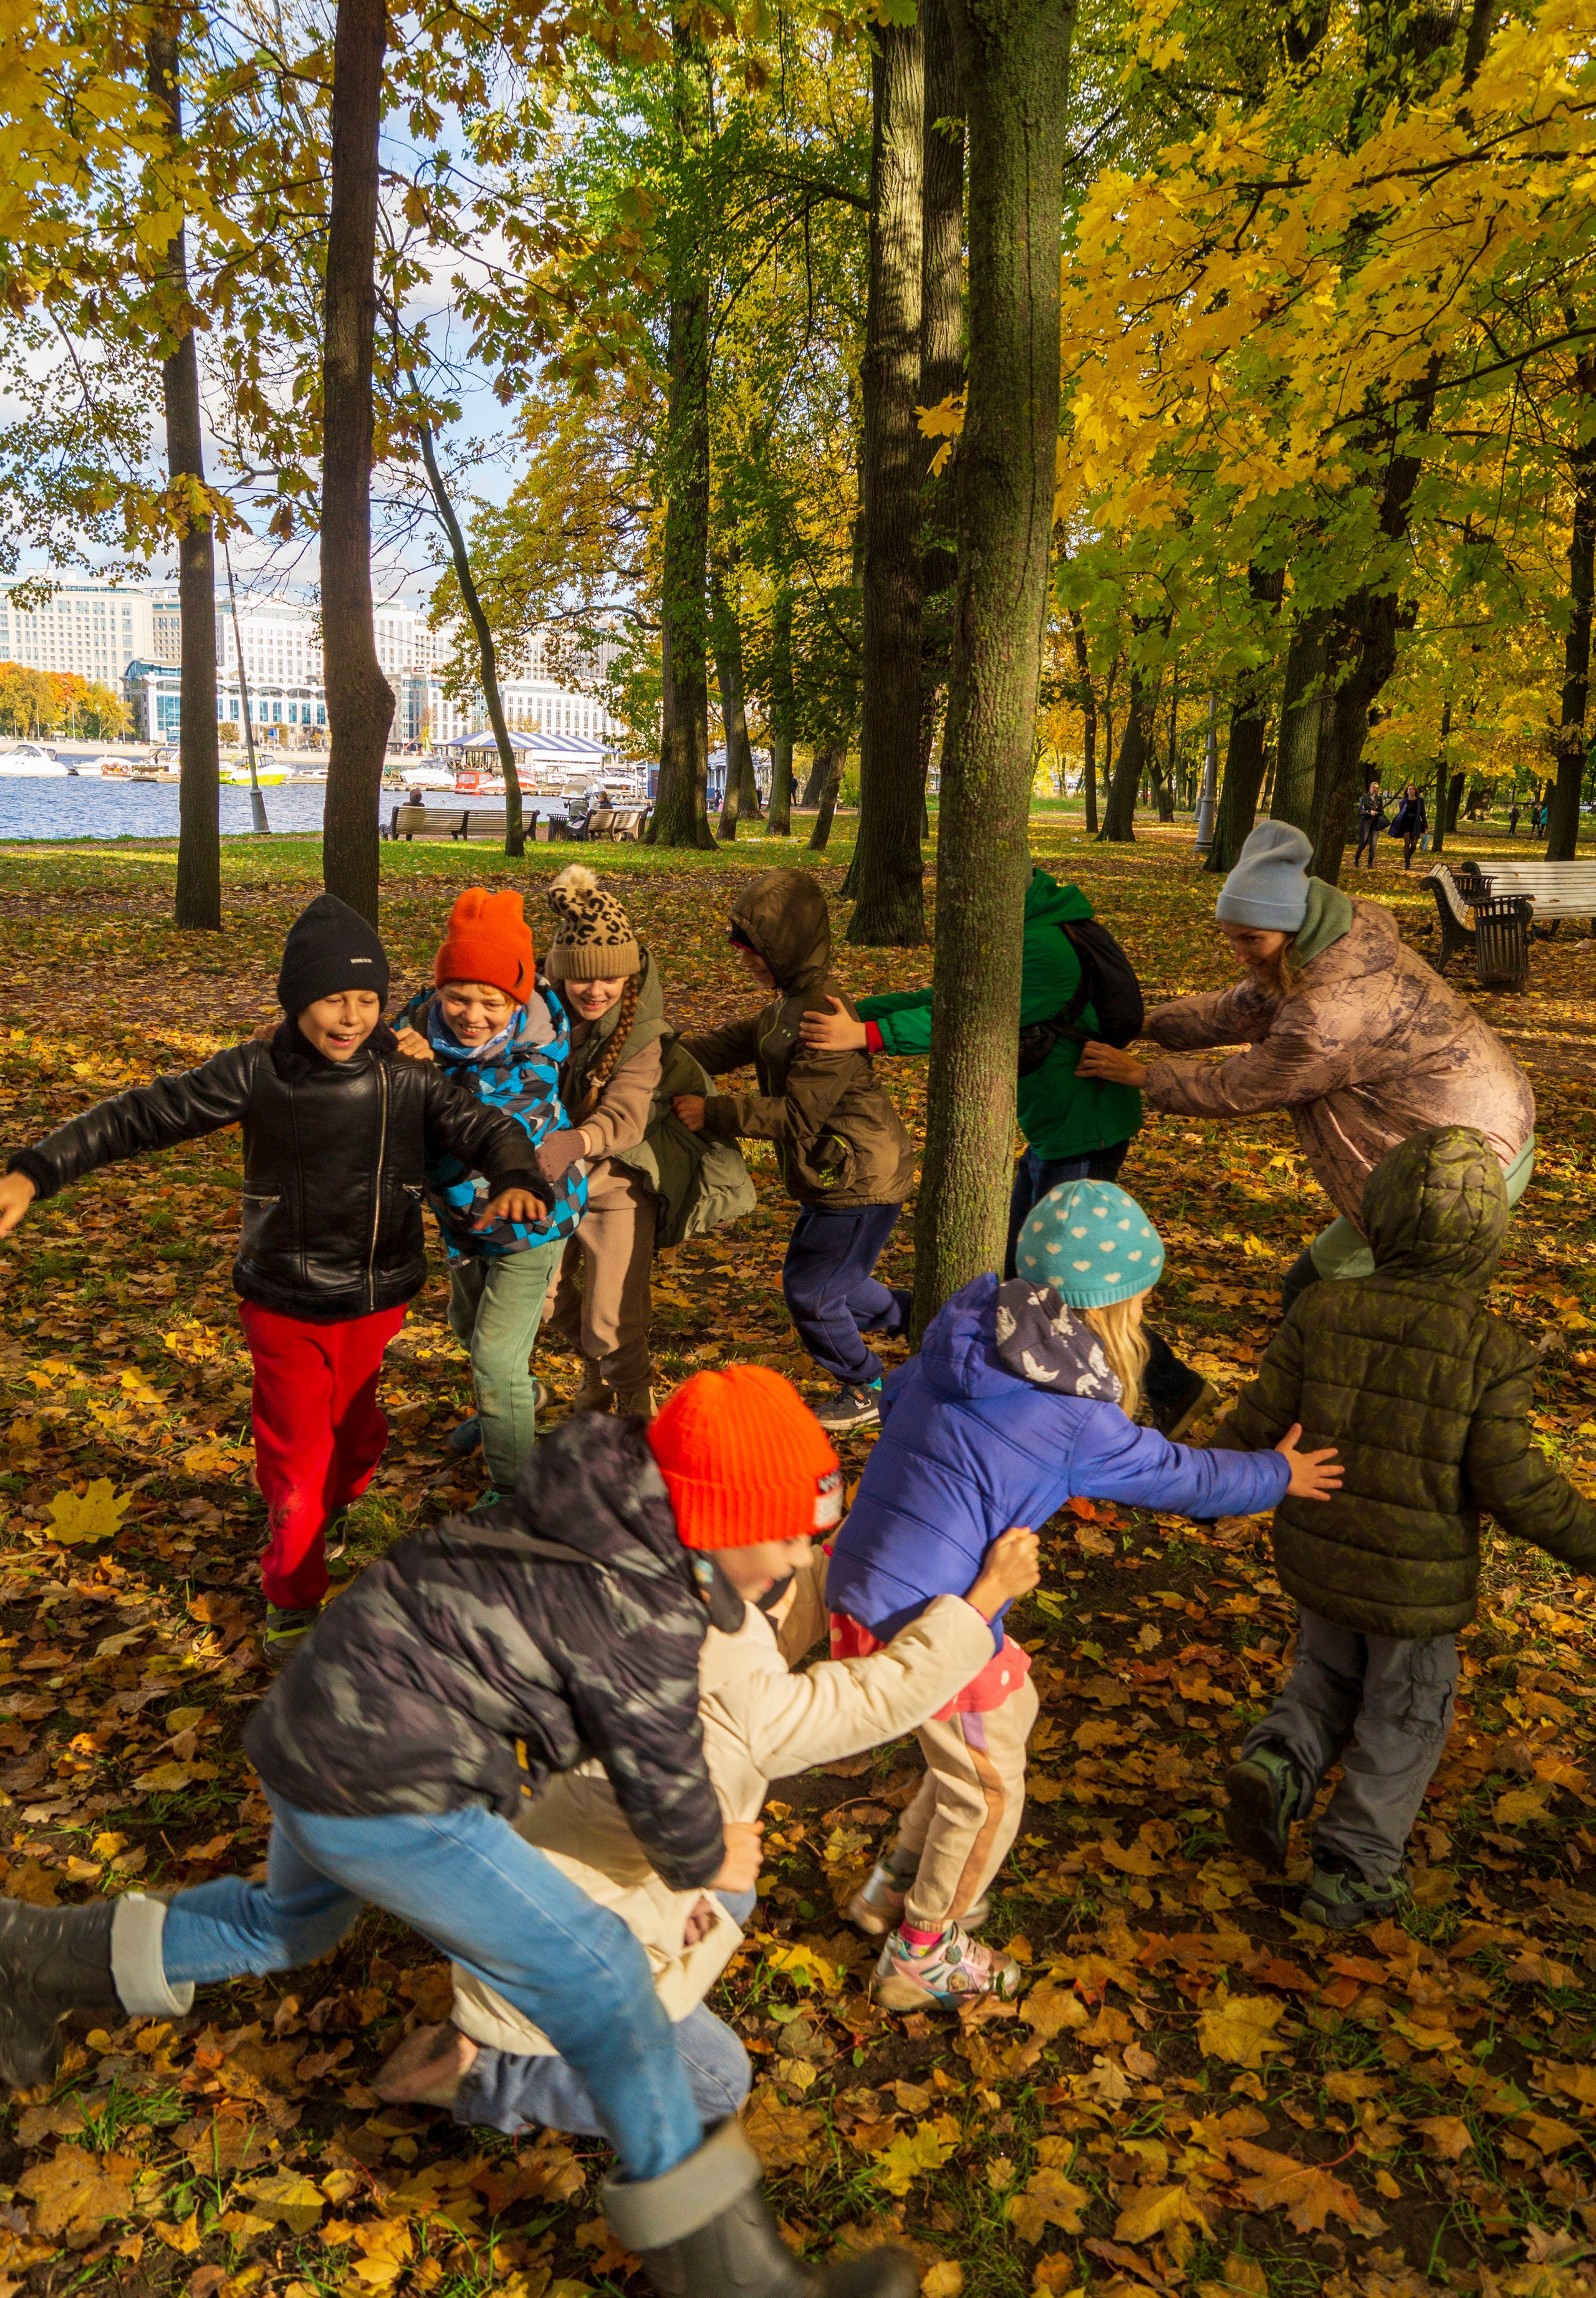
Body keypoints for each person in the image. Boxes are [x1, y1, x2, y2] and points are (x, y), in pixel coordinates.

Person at [0, 1372, 919, 2298]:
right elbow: (664, 1776)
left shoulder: (595, 1509)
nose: (803, 1558)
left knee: (286, 1924)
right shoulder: (640, 1603)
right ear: (717, 1518)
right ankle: (740, 2284)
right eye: (791, 1533)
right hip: (385, 1789)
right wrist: (709, 1853)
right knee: (600, 1972)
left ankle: (32, 1956)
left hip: (315, 1726)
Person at [372, 1461, 1039, 2132]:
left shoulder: (621, 1581)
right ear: (728, 1534)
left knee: (732, 1897)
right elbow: (873, 1698)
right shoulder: (716, 1673)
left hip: (520, 1874)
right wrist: (976, 1606)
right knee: (716, 2080)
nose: (802, 1555)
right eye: (788, 1539)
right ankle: (488, 2074)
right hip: (562, 1944)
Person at [824, 1178, 1342, 2011]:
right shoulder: (1073, 1416)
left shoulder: (960, 1337)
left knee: (1001, 1722)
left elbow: (894, 1402)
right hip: (923, 1612)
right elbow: (1181, 1474)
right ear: (1119, 1309)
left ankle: (896, 1885)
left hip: (871, 1572)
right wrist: (1281, 1474)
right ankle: (925, 1950)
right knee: (988, 1786)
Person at [0, 893, 546, 1661]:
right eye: (333, 998)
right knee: (296, 1466)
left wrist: (518, 1173)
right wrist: (34, 1172)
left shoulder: (407, 1074)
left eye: (367, 999)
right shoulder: (256, 1071)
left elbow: (486, 1125)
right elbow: (139, 1114)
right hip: (285, 1300)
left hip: (376, 1298)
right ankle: (292, 1596)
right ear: (296, 1000)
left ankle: (332, 1509)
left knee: (356, 1442)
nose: (351, 1016)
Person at [1213, 1127, 1596, 1927]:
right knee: (1406, 1713)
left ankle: (1280, 1762)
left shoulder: (1323, 1306)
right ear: (1488, 1232)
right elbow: (1512, 1482)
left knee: (1321, 1672)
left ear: (1377, 1217)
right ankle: (1353, 1865)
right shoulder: (1491, 1349)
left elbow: (1257, 1416)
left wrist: (1201, 1481)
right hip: (1416, 1584)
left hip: (1318, 1549)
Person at [797, 863, 1216, 1438]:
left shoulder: (1042, 949)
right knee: (1025, 1271)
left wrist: (867, 1037)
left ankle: (1166, 1388)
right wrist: (863, 1009)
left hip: (1082, 1128)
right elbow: (948, 993)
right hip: (1057, 1127)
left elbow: (969, 1014)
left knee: (1056, 1284)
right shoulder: (1029, 926)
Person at [1077, 820, 1537, 1310]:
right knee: (1350, 1300)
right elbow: (1238, 1009)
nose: (1239, 955)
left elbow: (1247, 1086)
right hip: (1454, 1145)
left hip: (1458, 1170)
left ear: (1292, 927)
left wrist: (1143, 1074)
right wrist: (1144, 1024)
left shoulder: (1330, 1008)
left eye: (1251, 940)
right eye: (1231, 938)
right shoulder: (1328, 948)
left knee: (1334, 1299)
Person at [673, 869, 915, 1433]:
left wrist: (713, 1112)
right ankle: (926, 1319)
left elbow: (800, 1115)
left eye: (755, 952)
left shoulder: (821, 1011)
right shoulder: (787, 1004)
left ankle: (865, 1385)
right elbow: (731, 1043)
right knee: (839, 1283)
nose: (747, 962)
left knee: (810, 1292)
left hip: (860, 1178)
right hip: (833, 1174)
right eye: (744, 951)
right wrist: (666, 1054)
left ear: (785, 946)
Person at [536, 865, 753, 1422]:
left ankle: (632, 1397)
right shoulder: (533, 1020)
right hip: (550, 1178)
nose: (594, 990)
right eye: (581, 977)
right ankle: (596, 1361)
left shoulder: (642, 1040)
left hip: (619, 1179)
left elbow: (625, 1119)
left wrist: (576, 1141)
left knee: (611, 1317)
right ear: (560, 976)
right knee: (539, 1295)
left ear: (629, 978)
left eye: (608, 979)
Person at [394, 889, 587, 1503]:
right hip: (462, 1220)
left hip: (532, 1223)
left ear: (517, 997)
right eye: (458, 996)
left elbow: (484, 1133)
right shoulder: (414, 1026)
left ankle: (514, 1489)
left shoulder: (531, 1058)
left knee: (495, 1355)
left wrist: (420, 1077)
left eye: (490, 1001)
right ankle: (514, 1404)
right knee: (466, 1324)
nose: (471, 1014)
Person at [1389, 782, 1427, 868]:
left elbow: (1423, 814)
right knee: (1407, 843)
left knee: (1414, 845)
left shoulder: (1420, 801)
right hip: (1405, 823)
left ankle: (1408, 858)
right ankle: (1407, 863)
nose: (1411, 791)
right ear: (1407, 791)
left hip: (1416, 823)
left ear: (1415, 791)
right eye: (1410, 789)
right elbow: (1401, 814)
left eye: (1413, 789)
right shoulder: (1403, 803)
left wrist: (1426, 825)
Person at [1352, 780, 1385, 868]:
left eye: (1377, 788)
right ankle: (1356, 859)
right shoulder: (1364, 798)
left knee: (1373, 843)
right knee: (1363, 842)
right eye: (1373, 787)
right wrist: (1369, 813)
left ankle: (1370, 862)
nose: (1375, 789)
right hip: (1366, 822)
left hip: (1375, 823)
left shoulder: (1379, 799)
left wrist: (1376, 813)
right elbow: (1360, 811)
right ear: (1370, 788)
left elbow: (1382, 812)